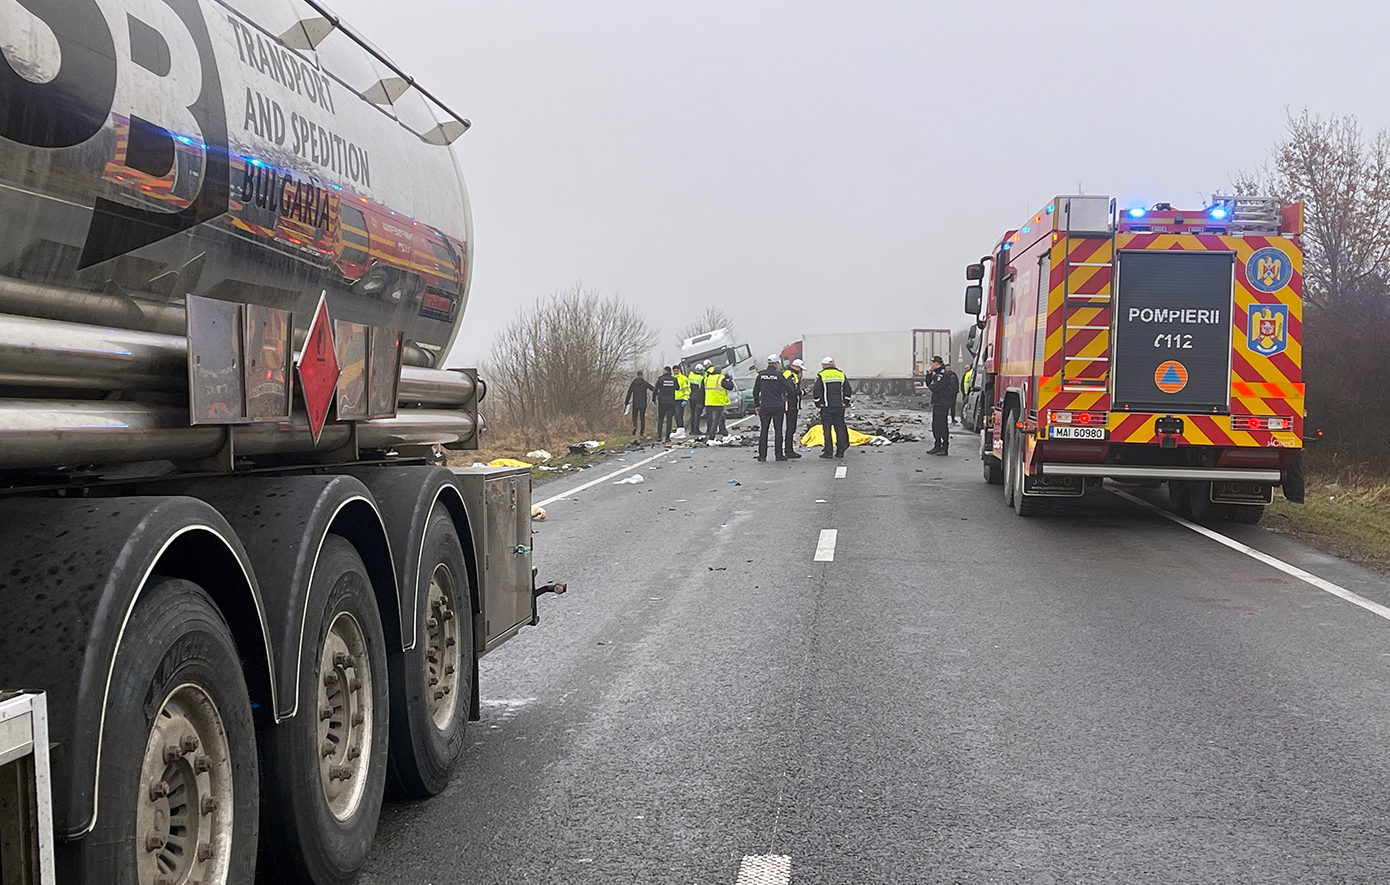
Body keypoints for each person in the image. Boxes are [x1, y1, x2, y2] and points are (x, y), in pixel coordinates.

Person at [752, 355, 797, 461]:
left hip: (765, 406)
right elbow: (790, 390)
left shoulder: (761, 375)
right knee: (778, 430)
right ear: (776, 363)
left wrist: (757, 405)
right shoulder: (779, 375)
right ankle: (779, 455)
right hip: (777, 406)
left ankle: (762, 456)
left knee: (764, 431)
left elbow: (755, 391)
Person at [813, 356, 853, 458]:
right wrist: (845, 402)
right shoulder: (841, 374)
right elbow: (848, 389)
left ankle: (828, 452)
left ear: (825, 365)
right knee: (839, 428)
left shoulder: (821, 375)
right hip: (839, 407)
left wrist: (818, 404)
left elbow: (817, 391)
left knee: (827, 430)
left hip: (827, 407)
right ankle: (840, 451)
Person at [925, 356, 959, 455]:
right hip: (936, 402)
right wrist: (929, 374)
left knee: (942, 425)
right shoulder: (936, 374)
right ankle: (937, 445)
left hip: (943, 403)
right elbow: (928, 383)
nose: (931, 365)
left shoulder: (944, 374)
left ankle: (944, 447)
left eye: (932, 363)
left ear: (937, 363)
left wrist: (931, 384)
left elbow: (934, 387)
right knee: (935, 425)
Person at [702, 359, 733, 440]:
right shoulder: (720, 378)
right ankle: (711, 438)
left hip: (708, 402)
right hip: (718, 402)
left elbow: (702, 389)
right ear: (720, 371)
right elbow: (730, 387)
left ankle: (724, 432)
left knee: (718, 418)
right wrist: (729, 380)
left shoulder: (707, 378)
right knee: (715, 420)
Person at [782, 358, 805, 459]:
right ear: (796, 367)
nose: (801, 372)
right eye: (800, 369)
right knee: (790, 427)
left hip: (791, 404)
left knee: (791, 428)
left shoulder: (791, 374)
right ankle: (788, 450)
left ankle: (788, 449)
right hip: (789, 404)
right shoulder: (789, 375)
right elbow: (791, 390)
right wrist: (803, 392)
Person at [653, 366, 679, 442]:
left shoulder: (660, 379)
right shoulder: (674, 379)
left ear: (664, 371)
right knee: (669, 419)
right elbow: (677, 388)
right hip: (671, 401)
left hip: (662, 402)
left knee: (660, 419)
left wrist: (653, 399)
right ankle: (667, 437)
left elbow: (655, 390)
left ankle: (659, 437)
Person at [625, 370, 653, 437]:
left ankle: (635, 426)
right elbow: (653, 389)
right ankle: (642, 432)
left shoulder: (634, 383)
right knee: (642, 417)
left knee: (634, 416)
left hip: (635, 402)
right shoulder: (645, 383)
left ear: (637, 375)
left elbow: (629, 392)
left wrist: (626, 402)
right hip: (643, 403)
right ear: (642, 375)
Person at [686, 363, 705, 437]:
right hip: (698, 398)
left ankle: (692, 430)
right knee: (697, 414)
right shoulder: (701, 378)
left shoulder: (690, 376)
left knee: (693, 414)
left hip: (691, 397)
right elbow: (702, 390)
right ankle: (696, 430)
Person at [673, 365, 689, 430]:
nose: (676, 371)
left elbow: (687, 390)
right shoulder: (672, 378)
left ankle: (681, 428)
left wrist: (685, 399)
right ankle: (679, 428)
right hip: (673, 399)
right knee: (676, 416)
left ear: (679, 370)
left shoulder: (683, 378)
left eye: (677, 370)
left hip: (681, 399)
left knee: (679, 415)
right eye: (674, 370)